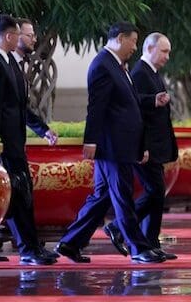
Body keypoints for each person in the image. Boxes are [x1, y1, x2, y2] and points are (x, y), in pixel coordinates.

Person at [55, 21, 164, 264]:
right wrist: (91, 141)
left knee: (102, 196)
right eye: (133, 41)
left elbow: (132, 107)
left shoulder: (119, 66)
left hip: (123, 144)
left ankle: (70, 243)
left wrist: (141, 144)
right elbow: (96, 107)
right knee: (122, 195)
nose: (135, 47)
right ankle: (138, 248)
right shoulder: (102, 65)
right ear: (120, 39)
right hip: (111, 145)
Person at [0, 14, 57, 266]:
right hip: (4, 145)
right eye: (21, 35)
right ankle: (26, 250)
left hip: (14, 143)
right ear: (10, 36)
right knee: (16, 196)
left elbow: (19, 107)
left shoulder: (9, 60)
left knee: (22, 195)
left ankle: (29, 247)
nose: (28, 39)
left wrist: (42, 129)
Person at [104, 32, 178, 260]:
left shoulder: (152, 72)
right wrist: (143, 146)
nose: (167, 56)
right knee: (155, 191)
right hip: (145, 146)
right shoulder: (139, 73)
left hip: (156, 146)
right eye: (164, 51)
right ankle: (118, 227)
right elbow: (135, 112)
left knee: (157, 193)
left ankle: (151, 241)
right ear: (150, 48)